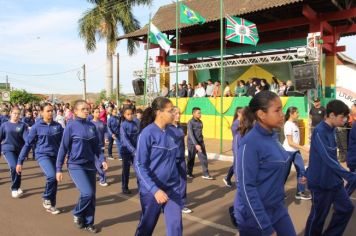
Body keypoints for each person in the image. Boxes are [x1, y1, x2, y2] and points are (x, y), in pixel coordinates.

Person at [233, 91, 297, 236]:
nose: (282, 114)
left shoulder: (273, 137)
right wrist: (265, 227)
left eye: (282, 109)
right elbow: (246, 187)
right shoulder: (250, 143)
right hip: (255, 216)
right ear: (262, 114)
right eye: (277, 110)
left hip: (278, 209)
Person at [305, 100, 356, 236]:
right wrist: (350, 176)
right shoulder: (320, 131)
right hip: (321, 184)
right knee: (318, 218)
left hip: (334, 181)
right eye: (342, 117)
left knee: (346, 208)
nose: (345, 120)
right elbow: (328, 159)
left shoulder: (332, 130)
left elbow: (330, 158)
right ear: (332, 115)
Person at [56, 100, 108, 233]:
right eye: (83, 109)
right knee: (87, 193)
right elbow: (63, 147)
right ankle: (77, 213)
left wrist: (102, 160)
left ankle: (89, 223)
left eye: (87, 108)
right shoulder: (71, 126)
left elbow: (97, 147)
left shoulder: (92, 126)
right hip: (75, 165)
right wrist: (58, 168)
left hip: (90, 165)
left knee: (92, 197)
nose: (86, 111)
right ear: (75, 111)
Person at [134, 97, 183, 236]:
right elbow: (139, 165)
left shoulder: (173, 132)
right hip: (152, 190)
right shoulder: (147, 134)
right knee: (146, 227)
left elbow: (176, 161)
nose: (174, 113)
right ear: (159, 112)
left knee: (176, 227)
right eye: (170, 110)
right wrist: (155, 190)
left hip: (172, 188)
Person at [17, 103, 63, 214]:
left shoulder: (58, 126)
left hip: (55, 156)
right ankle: (46, 197)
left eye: (52, 110)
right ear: (41, 112)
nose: (50, 113)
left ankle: (51, 205)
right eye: (47, 111)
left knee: (55, 181)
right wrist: (20, 161)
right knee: (51, 176)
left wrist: (67, 155)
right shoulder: (36, 127)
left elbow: (63, 143)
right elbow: (28, 144)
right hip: (42, 155)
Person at [283, 107, 311, 200]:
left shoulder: (294, 124)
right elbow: (290, 142)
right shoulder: (288, 125)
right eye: (297, 112)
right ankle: (278, 192)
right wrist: (303, 148)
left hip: (296, 152)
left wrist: (302, 147)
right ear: (291, 113)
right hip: (287, 152)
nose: (298, 114)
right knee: (284, 173)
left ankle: (300, 192)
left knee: (302, 170)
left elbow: (296, 140)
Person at [0, 107, 28, 198]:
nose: (16, 115)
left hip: (20, 150)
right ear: (10, 113)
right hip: (7, 149)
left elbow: (26, 139)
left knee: (18, 167)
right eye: (14, 113)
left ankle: (17, 186)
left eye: (18, 114)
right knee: (13, 166)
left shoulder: (23, 125)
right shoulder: (4, 125)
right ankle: (14, 188)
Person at [169, 107, 192, 214]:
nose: (179, 115)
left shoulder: (181, 127)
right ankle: (167, 202)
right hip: (170, 160)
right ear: (171, 115)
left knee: (183, 181)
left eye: (179, 113)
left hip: (181, 158)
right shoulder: (167, 128)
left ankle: (182, 204)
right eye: (176, 113)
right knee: (170, 182)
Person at [187, 107, 213, 180]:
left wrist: (201, 143)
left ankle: (206, 174)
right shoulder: (190, 122)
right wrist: (196, 144)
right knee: (191, 159)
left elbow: (200, 134)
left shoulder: (200, 122)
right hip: (192, 144)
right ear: (193, 113)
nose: (200, 114)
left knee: (204, 158)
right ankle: (189, 173)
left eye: (200, 113)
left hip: (200, 143)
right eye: (198, 113)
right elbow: (191, 135)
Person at [120, 107, 139, 194]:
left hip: (136, 151)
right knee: (126, 170)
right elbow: (125, 139)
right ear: (124, 115)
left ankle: (141, 186)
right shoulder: (123, 125)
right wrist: (133, 150)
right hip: (126, 151)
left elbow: (139, 136)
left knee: (138, 169)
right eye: (128, 114)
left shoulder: (136, 123)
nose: (130, 116)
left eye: (131, 114)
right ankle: (124, 187)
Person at [223, 107, 243, 188]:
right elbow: (236, 135)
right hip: (237, 145)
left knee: (237, 162)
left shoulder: (242, 122)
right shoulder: (236, 123)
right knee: (237, 163)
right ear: (238, 113)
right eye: (243, 113)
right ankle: (238, 181)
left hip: (241, 144)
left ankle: (227, 177)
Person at [91, 107, 108, 187]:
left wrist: (106, 138)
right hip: (93, 147)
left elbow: (105, 131)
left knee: (101, 162)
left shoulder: (102, 123)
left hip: (101, 146)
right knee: (98, 163)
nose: (98, 113)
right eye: (96, 112)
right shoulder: (90, 123)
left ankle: (98, 177)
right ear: (93, 113)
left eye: (99, 112)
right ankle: (102, 180)